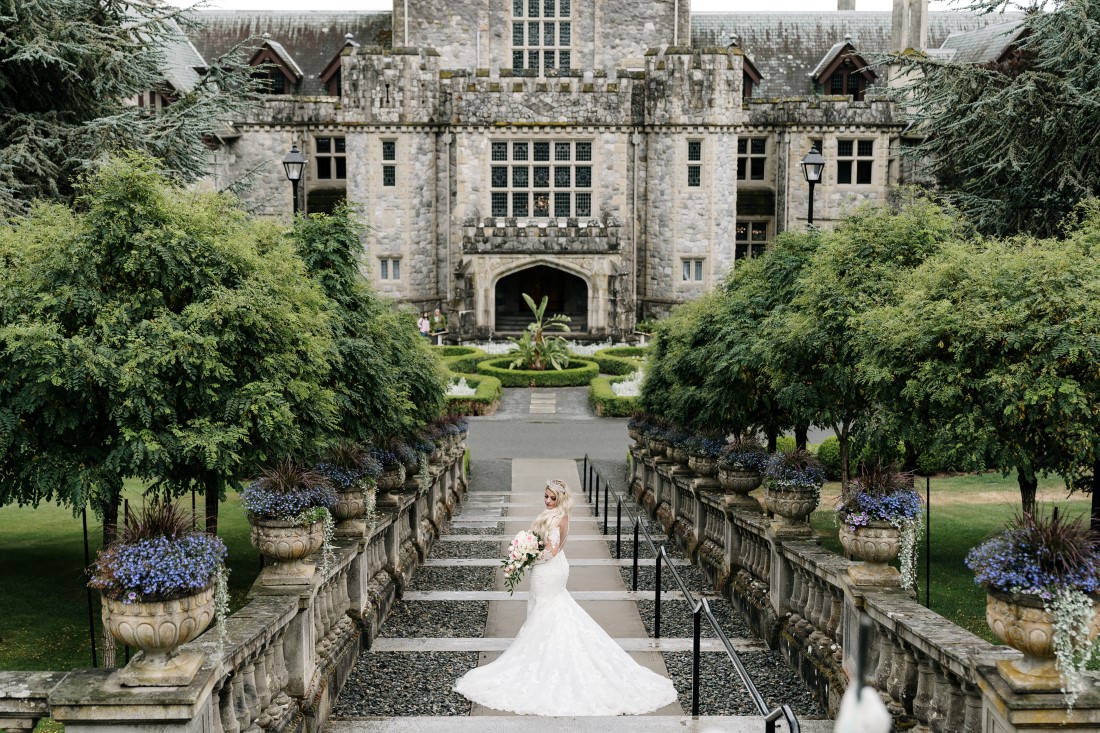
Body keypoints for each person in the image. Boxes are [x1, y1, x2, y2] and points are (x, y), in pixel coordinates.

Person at [453, 479, 678, 716]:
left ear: (560, 499)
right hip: (551, 567)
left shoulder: (559, 517)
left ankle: (545, 662)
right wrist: (527, 552)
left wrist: (525, 557)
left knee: (548, 610)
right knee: (549, 609)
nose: (548, 501)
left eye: (552, 498)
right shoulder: (553, 514)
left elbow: (550, 551)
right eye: (546, 496)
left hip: (549, 568)